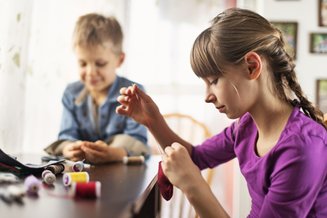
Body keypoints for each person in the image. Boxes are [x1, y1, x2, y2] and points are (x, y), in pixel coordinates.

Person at [116, 8, 327, 218]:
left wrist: (194, 186)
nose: (207, 96)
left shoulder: (303, 148)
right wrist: (153, 121)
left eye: (214, 81)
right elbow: (196, 158)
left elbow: (191, 169)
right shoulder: (246, 126)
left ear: (252, 67)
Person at [44, 13, 149, 164]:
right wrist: (70, 148)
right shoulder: (71, 93)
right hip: (82, 172)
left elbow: (137, 140)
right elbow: (66, 135)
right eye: (82, 64)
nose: (90, 72)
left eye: (100, 63)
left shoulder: (133, 93)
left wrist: (115, 153)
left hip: (121, 174)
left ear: (120, 60)